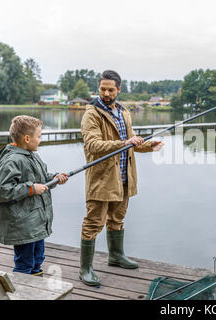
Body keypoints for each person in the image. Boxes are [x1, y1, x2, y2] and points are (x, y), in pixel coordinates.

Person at [79, 70, 163, 286]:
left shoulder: (123, 112)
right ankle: (85, 269)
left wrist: (147, 146)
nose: (106, 93)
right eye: (102, 89)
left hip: (124, 178)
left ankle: (116, 256)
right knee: (93, 223)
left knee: (117, 219)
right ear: (98, 88)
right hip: (102, 179)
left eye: (110, 89)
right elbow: (93, 145)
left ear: (118, 90)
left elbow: (130, 142)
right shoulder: (92, 114)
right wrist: (125, 143)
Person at [0, 115, 68, 276]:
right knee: (24, 263)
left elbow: (40, 179)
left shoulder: (31, 155)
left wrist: (54, 178)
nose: (40, 140)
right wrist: (31, 189)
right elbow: (1, 191)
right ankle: (21, 291)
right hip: (23, 226)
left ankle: (35, 288)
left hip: (36, 223)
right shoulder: (12, 160)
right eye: (38, 137)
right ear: (27, 138)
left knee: (37, 259)